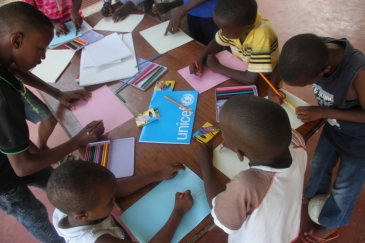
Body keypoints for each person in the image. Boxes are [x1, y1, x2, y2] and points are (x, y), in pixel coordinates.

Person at [0, 3, 104, 242]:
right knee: (33, 214)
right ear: (16, 41)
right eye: (40, 49)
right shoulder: (3, 101)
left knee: (52, 180)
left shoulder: (4, 53)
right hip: (3, 179)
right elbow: (22, 167)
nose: (43, 56)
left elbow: (15, 68)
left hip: (10, 150)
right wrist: (78, 140)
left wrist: (57, 93)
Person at [276, 33, 365, 243]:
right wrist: (275, 88)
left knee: (345, 186)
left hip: (360, 141)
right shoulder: (315, 49)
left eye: (307, 83)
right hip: (334, 129)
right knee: (319, 163)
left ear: (324, 71)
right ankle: (314, 192)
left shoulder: (358, 72)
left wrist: (324, 113)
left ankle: (331, 224)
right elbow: (283, 66)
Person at [193, 95, 307, 242]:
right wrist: (238, 140)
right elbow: (266, 129)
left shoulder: (247, 185)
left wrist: (205, 165)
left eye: (224, 133)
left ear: (239, 154)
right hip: (286, 232)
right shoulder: (298, 142)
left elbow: (219, 210)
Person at [47, 160, 193, 243]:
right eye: (109, 201)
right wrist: (178, 211)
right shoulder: (98, 240)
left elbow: (113, 190)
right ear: (82, 216)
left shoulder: (69, 205)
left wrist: (158, 174)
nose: (114, 198)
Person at [189, 0, 280, 86]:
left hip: (266, 83)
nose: (223, 33)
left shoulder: (262, 35)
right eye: (221, 28)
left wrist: (218, 67)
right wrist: (201, 59)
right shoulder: (235, 26)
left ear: (248, 28)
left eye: (227, 31)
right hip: (242, 71)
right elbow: (217, 42)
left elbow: (251, 79)